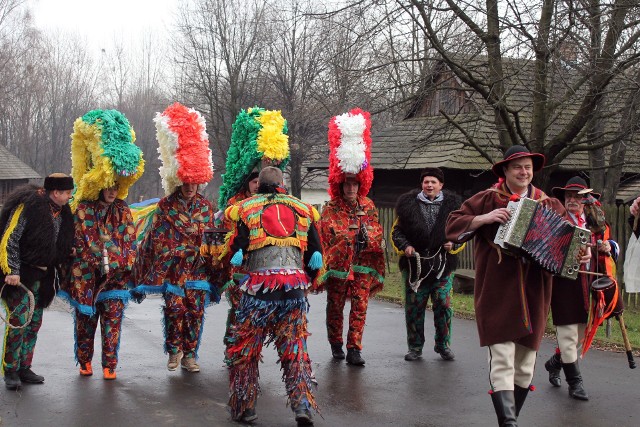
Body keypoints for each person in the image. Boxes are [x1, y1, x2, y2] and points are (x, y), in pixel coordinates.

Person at [445, 145, 583, 426]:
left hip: (535, 293)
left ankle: (508, 419)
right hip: (497, 290)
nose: (524, 172)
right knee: (503, 358)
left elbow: (567, 248)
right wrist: (483, 219)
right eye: (518, 167)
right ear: (505, 171)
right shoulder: (487, 199)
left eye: (528, 167)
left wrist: (581, 251)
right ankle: (509, 423)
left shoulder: (548, 204)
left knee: (523, 367)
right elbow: (452, 226)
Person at [225, 166, 322, 426]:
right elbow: (315, 253)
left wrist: (236, 259)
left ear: (260, 185)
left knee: (247, 350)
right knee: (295, 348)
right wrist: (309, 281)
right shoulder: (303, 209)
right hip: (294, 290)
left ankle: (246, 408)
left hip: (258, 292)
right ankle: (302, 406)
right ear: (282, 183)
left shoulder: (246, 208)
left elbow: (237, 247)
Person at [59, 108, 144, 381]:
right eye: (108, 185)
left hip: (116, 280)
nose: (111, 190)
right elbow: (84, 241)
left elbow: (130, 241)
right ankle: (85, 360)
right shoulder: (83, 209)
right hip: (87, 279)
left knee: (113, 324)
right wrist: (99, 261)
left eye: (115, 186)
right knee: (86, 324)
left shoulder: (123, 209)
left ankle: (110, 364)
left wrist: (121, 263)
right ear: (100, 183)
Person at [132, 102, 217, 373]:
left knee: (195, 314)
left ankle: (191, 355)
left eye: (195, 183)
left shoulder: (206, 207)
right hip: (173, 270)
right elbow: (155, 237)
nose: (191, 187)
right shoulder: (166, 206)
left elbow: (213, 238)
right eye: (187, 182)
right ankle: (174, 351)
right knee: (174, 311)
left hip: (198, 271)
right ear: (180, 180)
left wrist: (215, 261)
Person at [315, 108, 384, 366]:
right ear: (341, 184)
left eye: (355, 184)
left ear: (361, 184)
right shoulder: (332, 207)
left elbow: (377, 229)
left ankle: (355, 347)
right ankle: (336, 343)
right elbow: (329, 232)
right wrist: (349, 235)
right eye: (347, 184)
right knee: (335, 307)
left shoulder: (369, 205)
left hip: (362, 266)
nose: (351, 188)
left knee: (360, 307)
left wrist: (368, 235)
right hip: (339, 267)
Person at [544, 177, 618, 400]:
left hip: (589, 284)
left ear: (586, 200)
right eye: (568, 196)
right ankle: (575, 383)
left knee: (578, 336)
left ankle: (555, 362)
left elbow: (614, 247)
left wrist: (606, 247)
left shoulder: (597, 223)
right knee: (567, 335)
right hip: (564, 284)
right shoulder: (556, 220)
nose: (572, 200)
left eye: (577, 196)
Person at [0, 173, 74, 390]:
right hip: (21, 276)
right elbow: (9, 239)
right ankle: (10, 369)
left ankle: (25, 366)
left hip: (44, 277)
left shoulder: (63, 212)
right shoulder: (28, 207)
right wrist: (12, 270)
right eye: (68, 193)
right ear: (56, 192)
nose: (70, 197)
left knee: (34, 323)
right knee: (18, 322)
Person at [392, 167, 462, 362]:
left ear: (441, 185)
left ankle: (443, 345)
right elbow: (396, 233)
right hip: (416, 268)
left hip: (442, 267)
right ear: (422, 184)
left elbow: (462, 233)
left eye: (433, 182)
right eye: (426, 182)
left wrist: (454, 243)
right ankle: (415, 347)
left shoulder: (454, 208)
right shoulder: (407, 206)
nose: (429, 185)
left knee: (443, 304)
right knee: (414, 308)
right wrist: (405, 246)